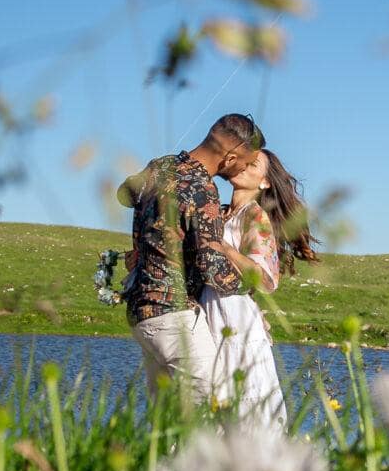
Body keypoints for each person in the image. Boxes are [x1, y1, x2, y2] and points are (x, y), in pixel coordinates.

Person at [119, 113, 263, 402]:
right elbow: (213, 268)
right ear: (230, 157)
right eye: (245, 163)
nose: (241, 171)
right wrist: (251, 285)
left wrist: (145, 244)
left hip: (140, 313)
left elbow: (124, 194)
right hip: (173, 315)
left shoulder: (160, 166)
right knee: (216, 404)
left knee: (167, 419)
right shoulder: (203, 189)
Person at [202, 147, 318, 428]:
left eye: (253, 164)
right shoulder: (222, 211)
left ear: (265, 182)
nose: (243, 166)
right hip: (209, 305)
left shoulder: (255, 216)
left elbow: (265, 279)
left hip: (234, 313)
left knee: (241, 403)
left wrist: (225, 248)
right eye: (243, 160)